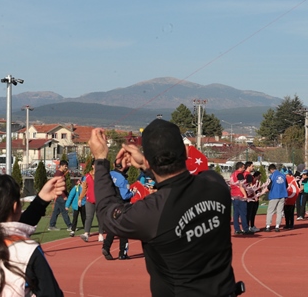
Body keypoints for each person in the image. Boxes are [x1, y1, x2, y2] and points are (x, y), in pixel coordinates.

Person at [89, 120, 240, 296]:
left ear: (148, 160)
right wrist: (148, 166)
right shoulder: (216, 184)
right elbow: (184, 180)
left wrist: (100, 161)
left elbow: (108, 212)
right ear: (185, 153)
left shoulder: (153, 211)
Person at [101, 156, 134, 260]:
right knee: (123, 229)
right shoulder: (122, 179)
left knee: (113, 227)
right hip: (121, 205)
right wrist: (133, 193)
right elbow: (125, 195)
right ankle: (122, 253)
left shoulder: (109, 175)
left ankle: (106, 247)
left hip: (109, 204)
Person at [47, 160, 73, 232]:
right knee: (64, 211)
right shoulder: (58, 174)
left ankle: (51, 225)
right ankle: (69, 226)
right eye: (65, 166)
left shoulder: (61, 173)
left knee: (56, 211)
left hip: (59, 195)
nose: (66, 167)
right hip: (60, 196)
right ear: (61, 166)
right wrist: (64, 195)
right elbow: (57, 186)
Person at [264, 164, 287, 232]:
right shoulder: (283, 175)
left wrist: (264, 191)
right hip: (282, 195)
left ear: (271, 170)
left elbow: (269, 186)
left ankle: (268, 226)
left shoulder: (272, 176)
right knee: (279, 211)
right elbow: (286, 185)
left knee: (270, 211)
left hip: (274, 195)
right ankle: (277, 226)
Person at [230, 162, 250, 235]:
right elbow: (241, 186)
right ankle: (245, 229)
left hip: (234, 195)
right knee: (243, 213)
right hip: (240, 195)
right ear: (240, 167)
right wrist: (245, 195)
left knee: (236, 214)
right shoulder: (240, 174)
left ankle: (237, 229)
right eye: (243, 167)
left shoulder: (233, 174)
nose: (244, 169)